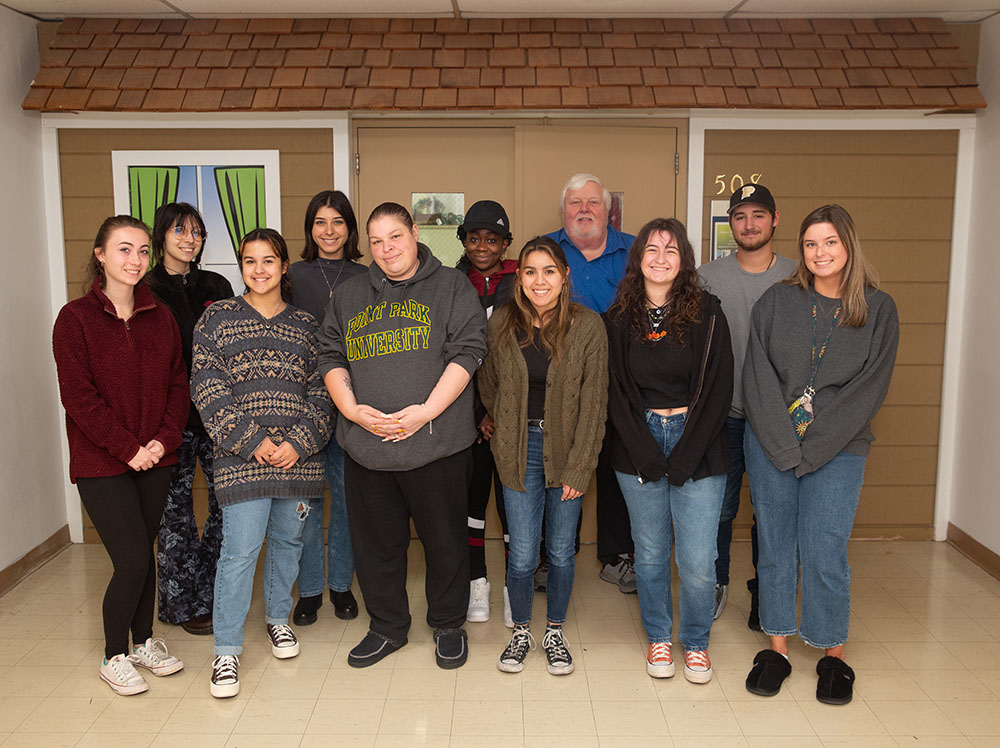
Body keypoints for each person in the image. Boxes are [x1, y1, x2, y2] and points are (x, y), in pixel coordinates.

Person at [317, 202, 487, 670]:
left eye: (395, 236)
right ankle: (387, 627)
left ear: (414, 233)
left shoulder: (452, 287)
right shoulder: (351, 295)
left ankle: (449, 625)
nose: (387, 249)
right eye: (376, 241)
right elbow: (330, 355)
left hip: (438, 446)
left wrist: (426, 412)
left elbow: (470, 350)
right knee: (377, 547)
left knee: (446, 543)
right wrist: (350, 409)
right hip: (367, 448)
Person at [742, 205, 898, 705]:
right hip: (772, 443)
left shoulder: (879, 309)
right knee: (776, 545)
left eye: (830, 242)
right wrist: (786, 445)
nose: (819, 253)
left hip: (840, 448)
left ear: (848, 246)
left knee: (824, 549)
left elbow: (869, 390)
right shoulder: (776, 301)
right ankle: (778, 648)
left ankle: (833, 656)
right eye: (810, 244)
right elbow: (757, 377)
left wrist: (813, 448)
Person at [191, 228, 333, 698]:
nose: (259, 269)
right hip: (241, 461)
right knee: (240, 552)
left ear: (284, 265)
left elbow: (323, 391)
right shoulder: (216, 320)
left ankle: (277, 619)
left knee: (289, 543)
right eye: (249, 261)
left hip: (298, 459)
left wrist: (298, 442)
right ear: (241, 266)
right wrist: (253, 441)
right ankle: (227, 650)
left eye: (268, 260)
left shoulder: (308, 326)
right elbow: (208, 390)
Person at [53, 215, 188, 695]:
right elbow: (79, 397)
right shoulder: (75, 319)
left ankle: (143, 641)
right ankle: (114, 654)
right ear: (101, 255)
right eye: (124, 250)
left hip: (155, 458)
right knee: (131, 558)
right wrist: (127, 448)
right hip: (101, 463)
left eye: (143, 252)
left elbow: (178, 385)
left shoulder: (161, 316)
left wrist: (162, 441)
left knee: (144, 555)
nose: (136, 260)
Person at [605, 218, 733, 684]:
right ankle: (659, 636)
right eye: (651, 249)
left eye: (671, 250)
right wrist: (646, 453)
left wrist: (683, 456)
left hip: (698, 443)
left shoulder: (709, 312)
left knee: (698, 562)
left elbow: (719, 391)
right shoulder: (617, 318)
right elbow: (614, 393)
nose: (660, 258)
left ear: (685, 261)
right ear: (638, 258)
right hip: (637, 444)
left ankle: (695, 643)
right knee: (651, 554)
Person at [479, 236, 608, 676]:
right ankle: (520, 632)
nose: (540, 281)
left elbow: (594, 404)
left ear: (564, 276)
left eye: (549, 271)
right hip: (517, 451)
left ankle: (554, 630)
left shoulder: (588, 327)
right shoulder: (500, 325)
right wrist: (501, 426)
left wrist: (580, 464)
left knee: (559, 550)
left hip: (568, 450)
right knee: (521, 552)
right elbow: (488, 382)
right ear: (520, 278)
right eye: (531, 271)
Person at [698, 184, 796, 627]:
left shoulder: (799, 275)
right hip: (724, 414)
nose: (749, 224)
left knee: (771, 512)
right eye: (740, 216)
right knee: (718, 508)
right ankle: (716, 583)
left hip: (779, 417)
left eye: (759, 215)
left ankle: (765, 594)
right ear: (730, 224)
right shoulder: (707, 277)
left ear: (774, 220)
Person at [546, 173, 637, 593]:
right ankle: (553, 557)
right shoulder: (546, 250)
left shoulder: (636, 250)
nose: (584, 210)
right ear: (564, 211)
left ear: (608, 209)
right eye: (575, 203)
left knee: (619, 466)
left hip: (625, 379)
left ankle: (618, 556)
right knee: (562, 463)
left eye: (593, 203)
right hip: (559, 379)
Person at [148, 202, 234, 636]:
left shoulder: (216, 285)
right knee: (176, 516)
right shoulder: (147, 288)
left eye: (197, 232)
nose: (189, 239)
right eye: (180, 230)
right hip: (169, 422)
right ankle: (181, 605)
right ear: (161, 235)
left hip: (217, 418)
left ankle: (214, 596)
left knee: (226, 508)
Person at [288, 190, 367, 625]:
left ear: (349, 229)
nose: (329, 231)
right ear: (310, 229)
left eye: (337, 222)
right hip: (301, 407)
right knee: (306, 504)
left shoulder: (367, 276)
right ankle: (310, 591)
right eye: (320, 222)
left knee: (346, 501)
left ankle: (340, 586)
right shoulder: (292, 275)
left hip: (353, 406)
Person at [455, 199, 517, 626]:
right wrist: (479, 412)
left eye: (491, 239)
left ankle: (516, 586)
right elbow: (452, 355)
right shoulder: (450, 282)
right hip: (469, 419)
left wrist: (502, 411)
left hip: (513, 416)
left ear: (505, 243)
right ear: (463, 241)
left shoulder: (522, 279)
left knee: (515, 508)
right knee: (472, 505)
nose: (482, 247)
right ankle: (478, 581)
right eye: (474, 238)